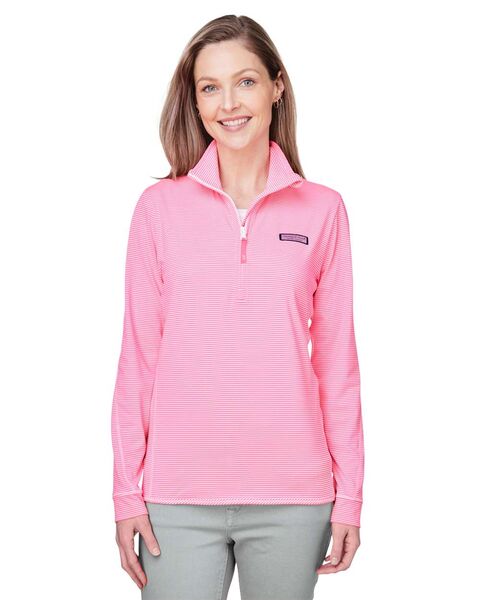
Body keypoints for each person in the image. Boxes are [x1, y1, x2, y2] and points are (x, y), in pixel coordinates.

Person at [111, 14, 365, 600]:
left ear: (277, 86)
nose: (228, 103)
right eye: (210, 87)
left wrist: (350, 495)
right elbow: (138, 360)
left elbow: (337, 366)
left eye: (245, 81)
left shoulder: (323, 209)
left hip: (294, 495)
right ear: (195, 100)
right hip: (175, 497)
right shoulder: (157, 209)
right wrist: (126, 491)